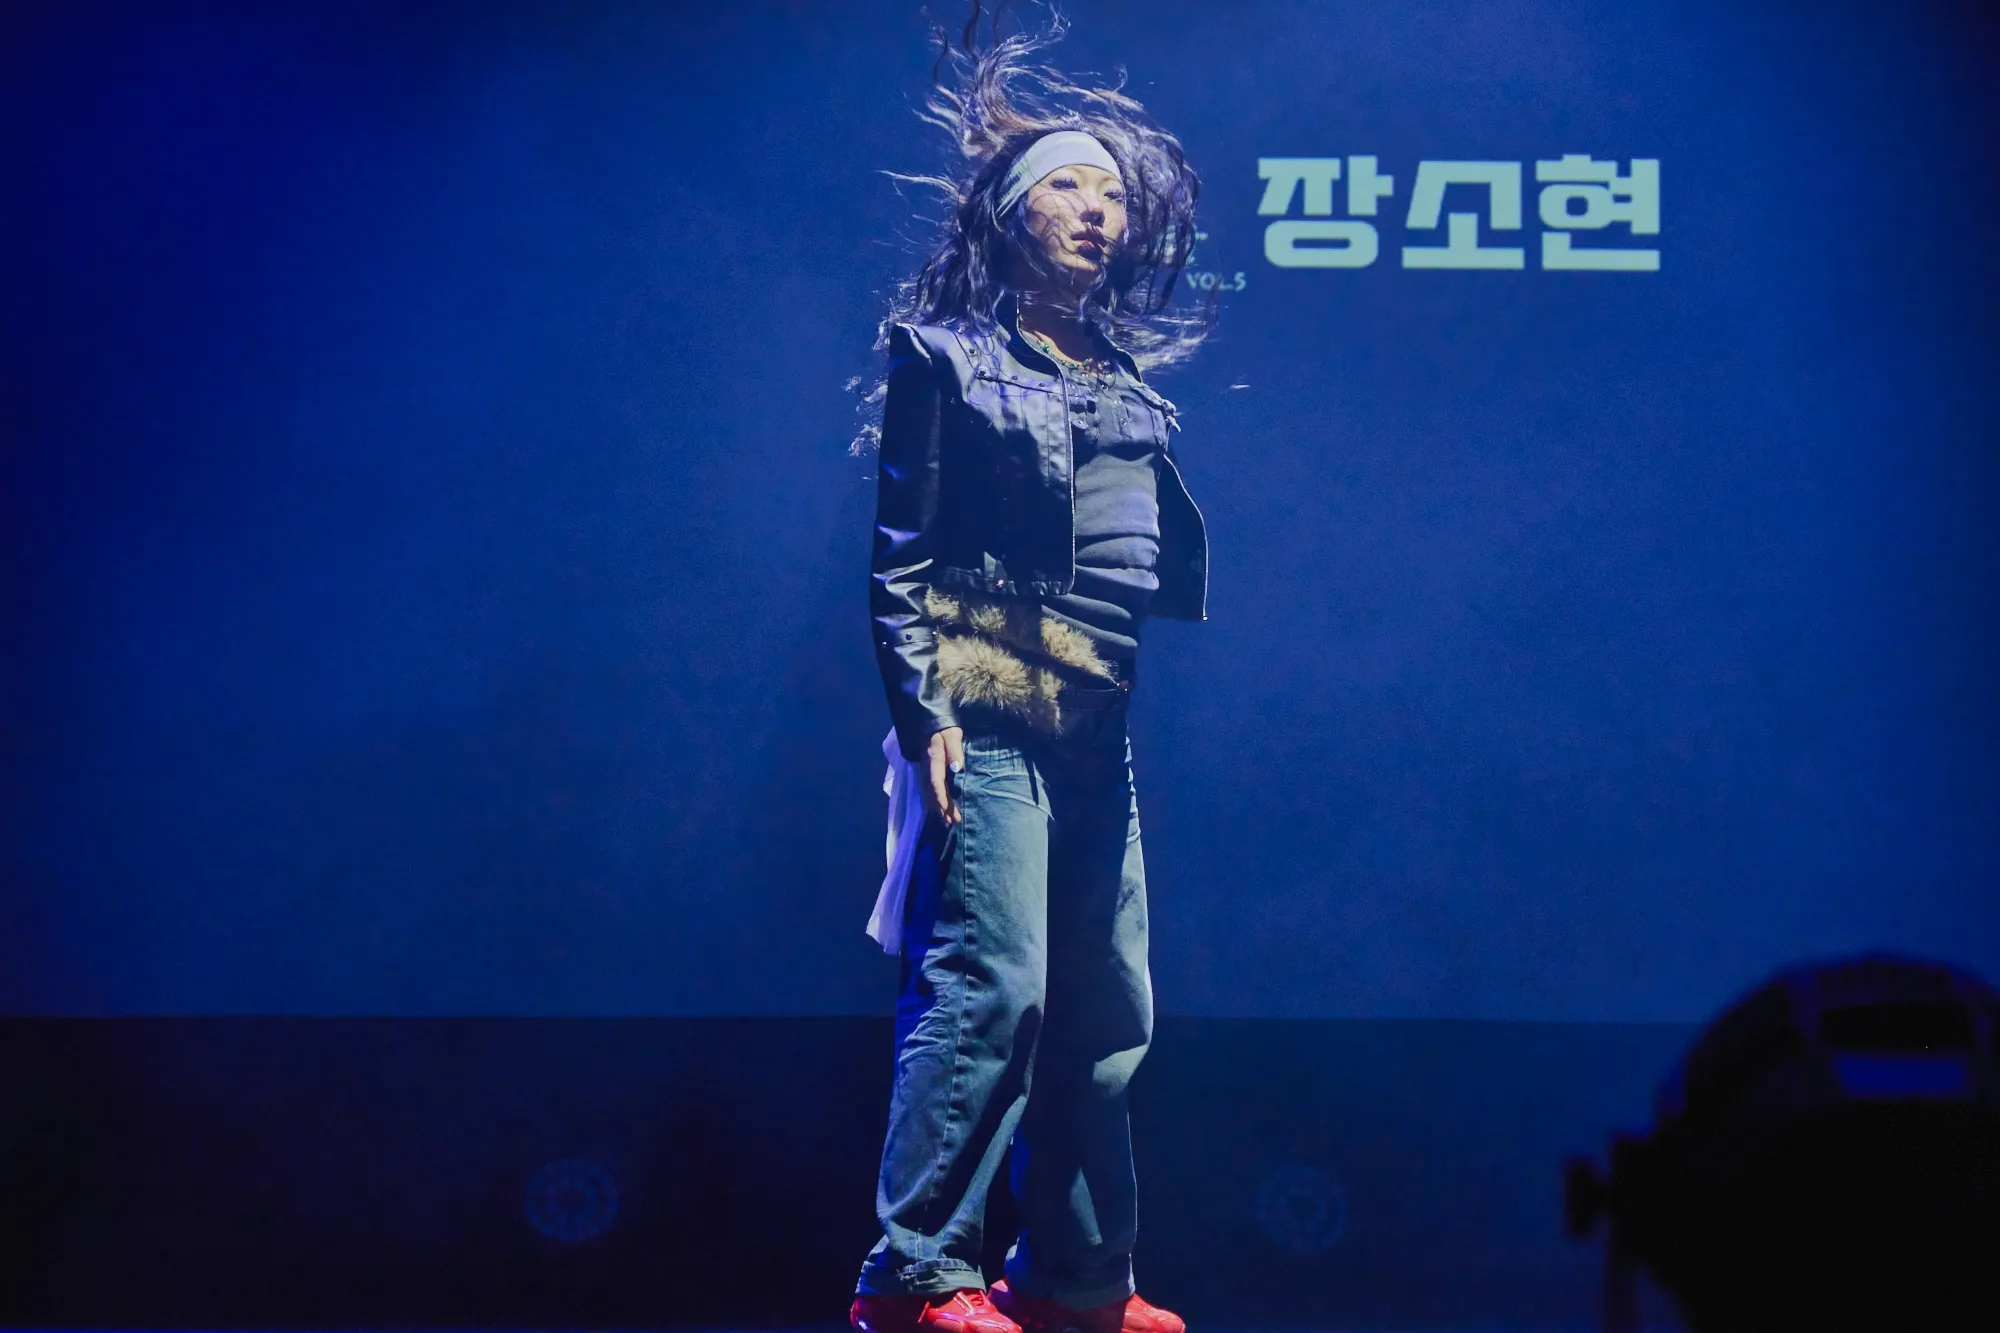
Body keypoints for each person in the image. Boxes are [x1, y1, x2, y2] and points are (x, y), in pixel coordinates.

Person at [848, 17, 1213, 1333]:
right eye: (1073, 185)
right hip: (987, 702)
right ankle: (915, 1274)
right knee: (993, 983)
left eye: (1114, 194)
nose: (1100, 210)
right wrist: (922, 713)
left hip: (1096, 723)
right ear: (1012, 211)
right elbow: (901, 557)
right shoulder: (942, 357)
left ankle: (1076, 1281)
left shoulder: (1125, 382)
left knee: (1107, 1009)